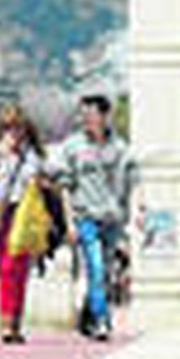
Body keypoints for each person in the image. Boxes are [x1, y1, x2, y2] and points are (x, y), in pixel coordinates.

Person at [54, 94, 137, 341]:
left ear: (104, 116)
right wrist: (69, 222)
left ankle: (88, 317)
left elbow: (133, 183)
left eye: (91, 114)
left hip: (112, 219)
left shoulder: (121, 149)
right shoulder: (72, 147)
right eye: (83, 114)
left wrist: (135, 215)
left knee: (106, 273)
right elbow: (65, 187)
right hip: (85, 217)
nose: (86, 119)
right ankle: (102, 321)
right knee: (96, 268)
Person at [0, 105, 51, 344]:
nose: (14, 133)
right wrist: (0, 154)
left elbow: (46, 177)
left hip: (25, 214)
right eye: (9, 128)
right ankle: (7, 323)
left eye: (18, 128)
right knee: (6, 267)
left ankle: (15, 321)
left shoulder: (32, 155)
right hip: (1, 212)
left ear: (26, 129)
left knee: (19, 268)